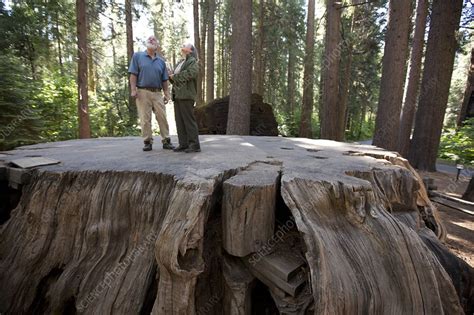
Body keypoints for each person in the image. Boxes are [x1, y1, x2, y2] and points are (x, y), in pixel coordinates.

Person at [128, 35, 175, 151]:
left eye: (154, 39)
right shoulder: (138, 56)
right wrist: (133, 90)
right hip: (142, 91)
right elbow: (133, 74)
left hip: (157, 93)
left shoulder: (161, 61)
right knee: (145, 118)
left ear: (157, 45)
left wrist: (166, 93)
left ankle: (166, 140)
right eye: (149, 39)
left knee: (162, 116)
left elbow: (164, 80)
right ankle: (147, 141)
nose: (151, 40)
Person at [169, 43, 201, 153]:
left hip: (187, 95)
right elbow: (174, 78)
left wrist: (175, 77)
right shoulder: (181, 62)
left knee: (188, 120)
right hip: (177, 95)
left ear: (190, 50)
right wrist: (171, 77)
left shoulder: (192, 61)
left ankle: (194, 145)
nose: (182, 46)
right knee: (179, 121)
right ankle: (183, 143)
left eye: (185, 45)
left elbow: (191, 73)